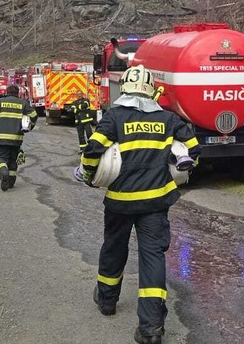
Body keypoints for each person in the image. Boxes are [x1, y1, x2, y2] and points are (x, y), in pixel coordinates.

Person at [74, 65, 199, 344]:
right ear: (151, 90)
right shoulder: (168, 119)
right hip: (155, 202)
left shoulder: (114, 117)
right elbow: (192, 150)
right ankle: (151, 328)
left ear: (125, 90)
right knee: (152, 257)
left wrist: (86, 173)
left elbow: (93, 150)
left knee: (114, 248)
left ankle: (107, 300)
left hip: (120, 202)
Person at [0, 84, 38, 191]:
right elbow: (34, 115)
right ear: (17, 92)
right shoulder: (23, 103)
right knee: (13, 160)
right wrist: (30, 127)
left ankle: (3, 173)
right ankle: (11, 181)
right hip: (16, 140)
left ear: (7, 92)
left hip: (0, 140)